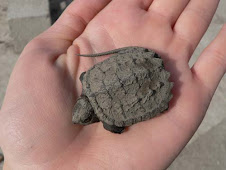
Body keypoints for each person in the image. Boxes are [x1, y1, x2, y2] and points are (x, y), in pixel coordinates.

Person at [0, 0, 225, 169]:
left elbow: (117, 128)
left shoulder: (110, 120)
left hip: (156, 87)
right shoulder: (89, 80)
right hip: (145, 65)